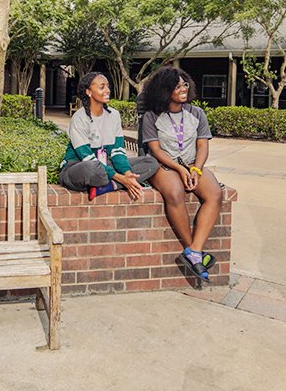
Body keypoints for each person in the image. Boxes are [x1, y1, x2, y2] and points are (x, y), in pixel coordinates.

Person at [141, 66, 223, 282]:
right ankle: (194, 253)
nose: (183, 89)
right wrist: (178, 169)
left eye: (184, 84)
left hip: (192, 163)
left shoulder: (197, 113)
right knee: (175, 193)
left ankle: (194, 251)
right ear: (164, 89)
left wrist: (195, 168)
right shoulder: (151, 116)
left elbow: (203, 145)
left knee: (214, 193)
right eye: (177, 86)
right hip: (163, 165)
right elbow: (155, 149)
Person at [59, 72, 158, 200]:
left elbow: (118, 151)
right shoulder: (79, 118)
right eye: (102, 87)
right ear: (89, 92)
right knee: (94, 169)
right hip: (78, 167)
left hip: (104, 166)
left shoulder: (114, 115)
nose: (107, 90)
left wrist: (128, 174)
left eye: (108, 86)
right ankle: (116, 182)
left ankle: (109, 186)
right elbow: (87, 158)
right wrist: (121, 177)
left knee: (150, 162)